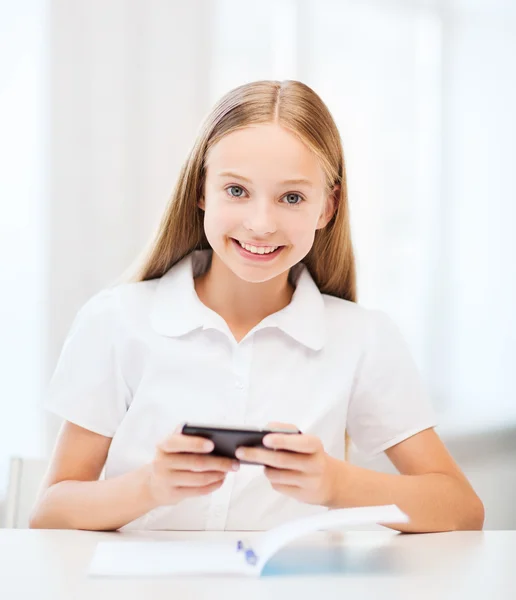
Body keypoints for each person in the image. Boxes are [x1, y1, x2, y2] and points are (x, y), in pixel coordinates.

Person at [29, 80, 484, 533]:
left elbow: (461, 509)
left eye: (291, 198)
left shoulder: (362, 337)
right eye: (236, 191)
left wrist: (336, 482)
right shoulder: (116, 321)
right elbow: (49, 515)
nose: (261, 224)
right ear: (201, 190)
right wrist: (150, 486)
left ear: (327, 207)